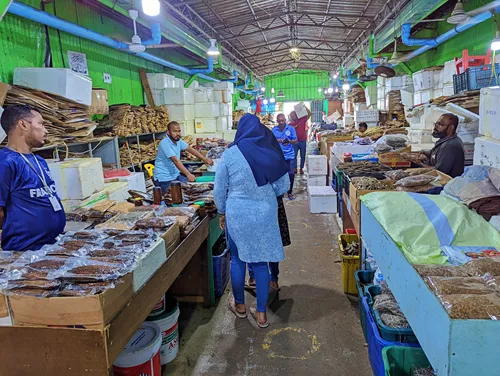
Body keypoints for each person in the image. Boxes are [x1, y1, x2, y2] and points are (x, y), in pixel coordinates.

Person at [214, 114, 290, 328]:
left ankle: (239, 306)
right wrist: (266, 192)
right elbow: (283, 185)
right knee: (260, 264)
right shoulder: (270, 152)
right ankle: (262, 313)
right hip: (264, 213)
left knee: (238, 261)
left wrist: (222, 211)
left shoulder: (230, 154)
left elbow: (219, 189)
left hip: (237, 213)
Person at [0, 105, 66, 251]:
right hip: (24, 250)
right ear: (23, 124)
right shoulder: (5, 162)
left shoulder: (39, 161)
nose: (46, 130)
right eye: (41, 123)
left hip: (51, 245)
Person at [153, 121, 213, 193]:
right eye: (174, 131)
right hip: (163, 178)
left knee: (191, 189)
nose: (177, 134)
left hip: (175, 175)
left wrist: (204, 159)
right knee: (174, 197)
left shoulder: (178, 141)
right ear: (168, 132)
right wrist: (188, 174)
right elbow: (175, 160)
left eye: (179, 131)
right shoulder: (164, 143)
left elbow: (190, 149)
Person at [423, 113, 465, 178]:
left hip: (446, 183)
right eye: (436, 123)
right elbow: (434, 153)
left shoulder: (449, 146)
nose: (435, 127)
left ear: (450, 128)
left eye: (440, 124)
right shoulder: (445, 140)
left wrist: (419, 163)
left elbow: (438, 172)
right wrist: (421, 152)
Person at [272, 113, 297, 200]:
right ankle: (280, 192)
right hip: (278, 156)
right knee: (279, 175)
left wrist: (289, 141)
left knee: (291, 174)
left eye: (283, 120)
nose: (281, 122)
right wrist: (276, 140)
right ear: (277, 121)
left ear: (286, 120)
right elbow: (270, 141)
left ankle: (290, 192)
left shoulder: (291, 128)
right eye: (279, 121)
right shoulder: (274, 130)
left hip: (289, 155)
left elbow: (295, 140)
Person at [289, 107, 311, 174]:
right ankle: (295, 168)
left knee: (303, 155)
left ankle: (301, 168)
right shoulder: (290, 124)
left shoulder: (302, 120)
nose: (293, 117)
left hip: (303, 141)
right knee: (294, 155)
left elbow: (309, 114)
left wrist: (304, 107)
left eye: (294, 115)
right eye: (292, 116)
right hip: (294, 142)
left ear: (297, 115)